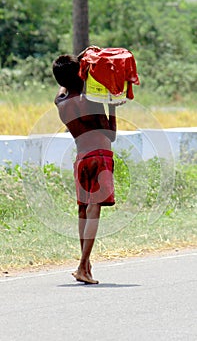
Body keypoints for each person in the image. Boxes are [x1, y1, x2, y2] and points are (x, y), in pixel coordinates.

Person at [52, 53, 119, 284]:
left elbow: (64, 83)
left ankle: (86, 265)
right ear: (79, 74)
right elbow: (111, 134)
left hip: (81, 158)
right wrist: (112, 106)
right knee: (94, 209)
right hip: (99, 156)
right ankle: (82, 265)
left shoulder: (60, 102)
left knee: (83, 211)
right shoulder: (89, 100)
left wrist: (78, 60)